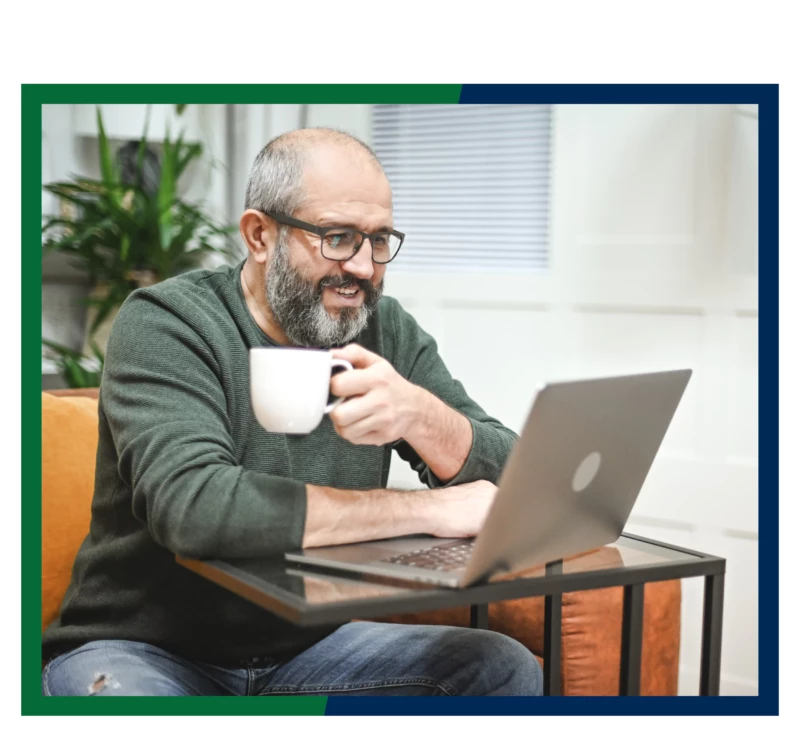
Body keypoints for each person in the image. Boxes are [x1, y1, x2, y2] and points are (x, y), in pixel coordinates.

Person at [42, 128, 544, 697]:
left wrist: (423, 417)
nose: (362, 267)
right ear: (260, 234)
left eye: (379, 241)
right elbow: (195, 508)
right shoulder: (167, 322)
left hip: (308, 647)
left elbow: (521, 484)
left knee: (500, 667)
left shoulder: (386, 331)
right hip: (144, 649)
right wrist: (426, 507)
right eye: (337, 236)